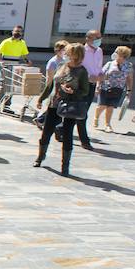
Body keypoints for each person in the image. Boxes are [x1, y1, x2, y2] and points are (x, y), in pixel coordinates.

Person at [34, 42, 93, 177]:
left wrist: (73, 91)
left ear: (76, 56)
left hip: (70, 106)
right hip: (54, 104)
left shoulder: (82, 71)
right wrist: (41, 98)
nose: (65, 55)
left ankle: (65, 166)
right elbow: (51, 84)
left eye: (68, 53)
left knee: (67, 135)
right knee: (46, 132)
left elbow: (85, 91)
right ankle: (40, 157)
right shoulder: (61, 66)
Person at [93, 46, 133, 132]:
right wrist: (97, 87)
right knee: (102, 105)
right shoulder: (109, 64)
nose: (115, 54)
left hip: (118, 89)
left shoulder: (128, 66)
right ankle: (96, 117)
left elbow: (129, 79)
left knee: (110, 107)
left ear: (123, 55)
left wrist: (129, 90)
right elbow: (101, 75)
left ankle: (107, 124)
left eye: (117, 53)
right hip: (105, 87)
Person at [0, 26, 29, 113]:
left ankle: (7, 106)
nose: (17, 33)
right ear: (12, 32)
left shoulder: (22, 43)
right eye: (16, 31)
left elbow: (24, 55)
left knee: (12, 87)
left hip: (15, 67)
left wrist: (27, 61)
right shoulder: (6, 42)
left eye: (19, 31)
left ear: (22, 33)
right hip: (5, 66)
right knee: (4, 85)